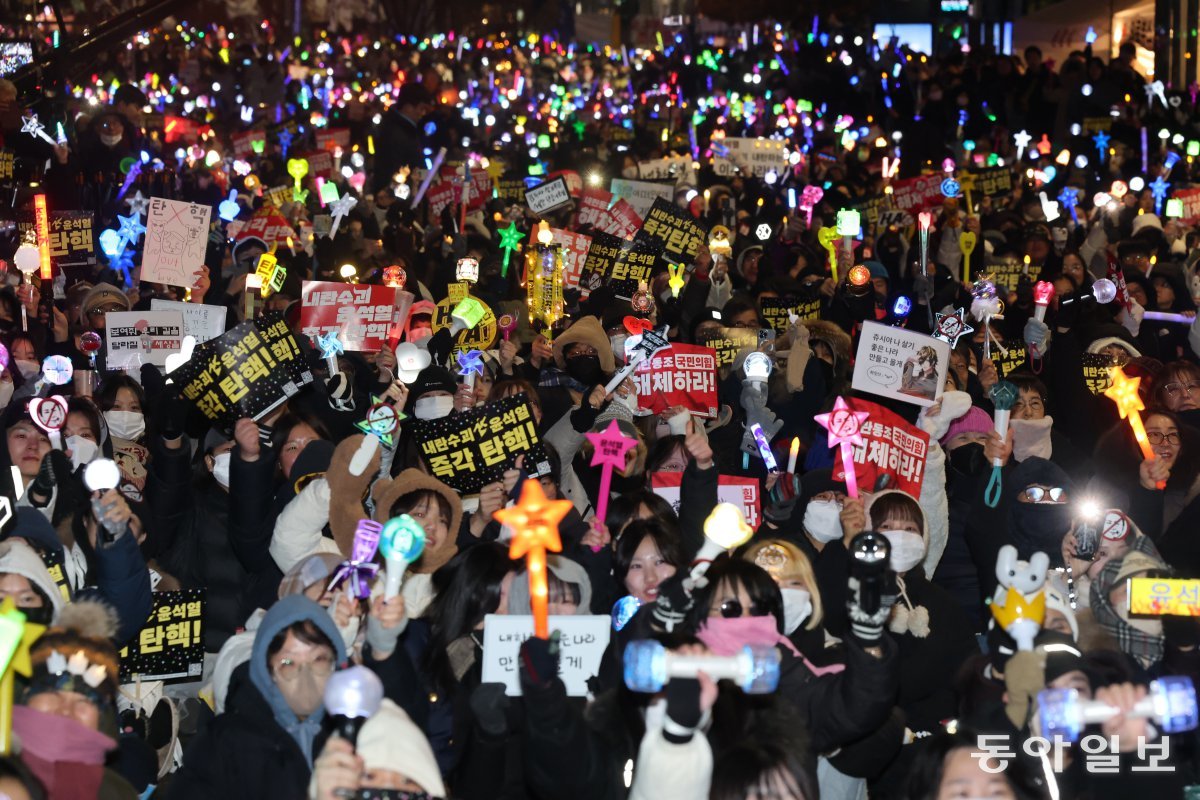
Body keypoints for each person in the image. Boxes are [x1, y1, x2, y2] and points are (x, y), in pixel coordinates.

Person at [167, 595, 347, 798]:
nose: (306, 678)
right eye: (288, 663)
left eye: (319, 659)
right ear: (267, 669)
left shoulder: (355, 731)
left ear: (337, 661)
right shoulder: (224, 743)